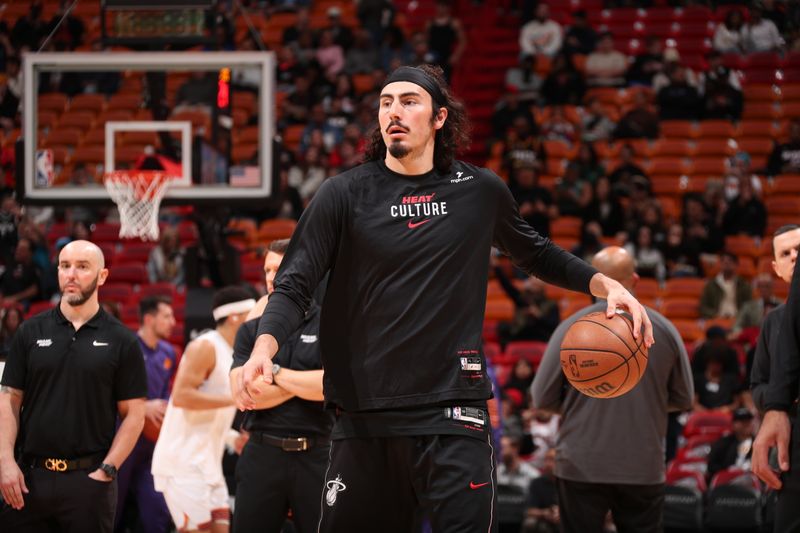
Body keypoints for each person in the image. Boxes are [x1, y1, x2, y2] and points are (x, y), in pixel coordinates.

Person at [240, 64, 653, 533]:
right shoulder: (343, 194)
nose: (394, 111)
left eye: (409, 101)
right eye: (385, 102)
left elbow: (535, 252)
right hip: (364, 417)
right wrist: (262, 348)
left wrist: (605, 285)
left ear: (439, 118)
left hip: (454, 414)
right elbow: (293, 285)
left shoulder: (479, 191)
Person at [531, 246, 693, 533]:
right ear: (635, 279)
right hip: (642, 465)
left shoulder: (570, 328)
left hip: (581, 462)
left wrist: (586, 398)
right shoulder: (665, 330)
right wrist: (645, 404)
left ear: (592, 279)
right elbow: (683, 399)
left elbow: (542, 398)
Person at [0, 240, 147, 532]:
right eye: (65, 266)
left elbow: (134, 415)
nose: (71, 274)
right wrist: (5, 462)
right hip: (28, 479)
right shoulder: (30, 331)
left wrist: (108, 468)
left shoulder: (123, 340)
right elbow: (9, 400)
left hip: (89, 481)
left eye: (82, 267)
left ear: (102, 276)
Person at [229, 239, 333, 533]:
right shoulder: (251, 330)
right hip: (262, 454)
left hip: (317, 455)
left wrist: (272, 371)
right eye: (267, 269)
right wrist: (305, 381)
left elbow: (330, 387)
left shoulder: (328, 323)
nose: (272, 277)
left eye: (280, 268)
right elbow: (245, 393)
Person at [151, 286, 253, 533]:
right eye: (252, 314)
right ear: (234, 317)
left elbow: (209, 406)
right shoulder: (205, 346)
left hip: (209, 463)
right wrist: (234, 398)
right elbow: (182, 397)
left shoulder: (235, 353)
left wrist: (232, 438)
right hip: (183, 465)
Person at [115, 296, 177, 533]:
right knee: (114, 508)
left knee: (157, 508)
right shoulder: (126, 347)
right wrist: (144, 407)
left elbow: (165, 395)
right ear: (149, 319)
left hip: (151, 443)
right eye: (167, 316)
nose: (173, 322)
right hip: (123, 439)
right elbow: (109, 393)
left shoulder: (169, 352)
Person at [750, 224, 800, 413]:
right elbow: (758, 385)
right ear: (776, 268)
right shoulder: (772, 321)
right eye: (785, 254)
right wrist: (783, 396)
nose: (794, 256)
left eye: (799, 249)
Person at [706, 407, 755, 482]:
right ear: (733, 424)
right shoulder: (723, 443)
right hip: (726, 484)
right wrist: (727, 471)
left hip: (752, 483)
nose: (746, 424)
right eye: (742, 421)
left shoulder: (759, 443)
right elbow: (711, 466)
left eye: (749, 421)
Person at [699, 252, 753, 319]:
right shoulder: (711, 285)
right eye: (723, 261)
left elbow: (750, 306)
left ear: (736, 265)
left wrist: (740, 316)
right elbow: (703, 307)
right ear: (720, 264)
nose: (726, 263)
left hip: (737, 319)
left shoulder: (744, 285)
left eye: (730, 260)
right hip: (716, 318)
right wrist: (715, 315)